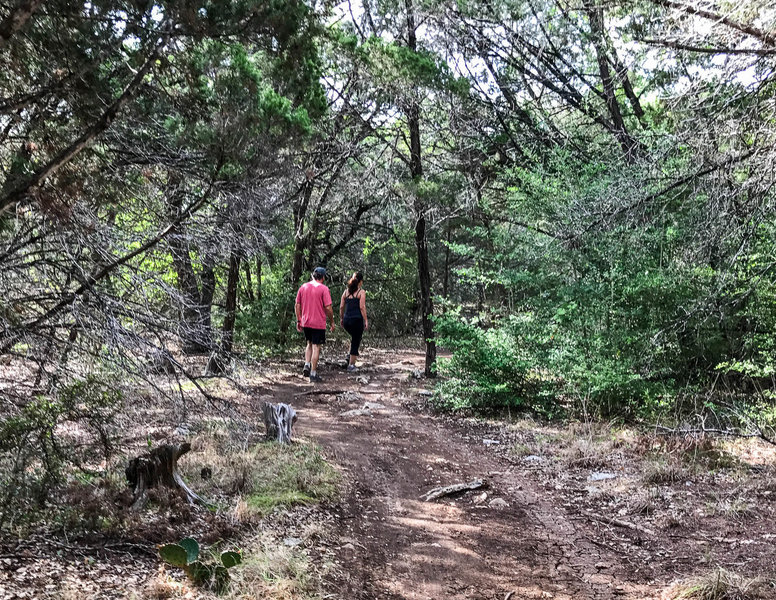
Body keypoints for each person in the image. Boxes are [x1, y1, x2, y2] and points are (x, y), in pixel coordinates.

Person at [296, 266, 335, 383]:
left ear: (313, 275)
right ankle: (313, 373)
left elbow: (297, 305)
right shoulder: (324, 289)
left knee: (309, 343)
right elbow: (328, 307)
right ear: (322, 278)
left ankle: (307, 365)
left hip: (306, 321)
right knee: (316, 346)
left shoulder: (303, 287)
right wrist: (332, 321)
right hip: (318, 323)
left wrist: (299, 320)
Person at [339, 271, 368, 372]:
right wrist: (366, 320)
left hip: (347, 320)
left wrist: (342, 318)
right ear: (361, 282)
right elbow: (362, 307)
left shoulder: (346, 292)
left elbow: (341, 306)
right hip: (357, 320)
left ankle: (349, 356)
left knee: (354, 338)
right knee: (356, 339)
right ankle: (351, 365)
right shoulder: (361, 292)